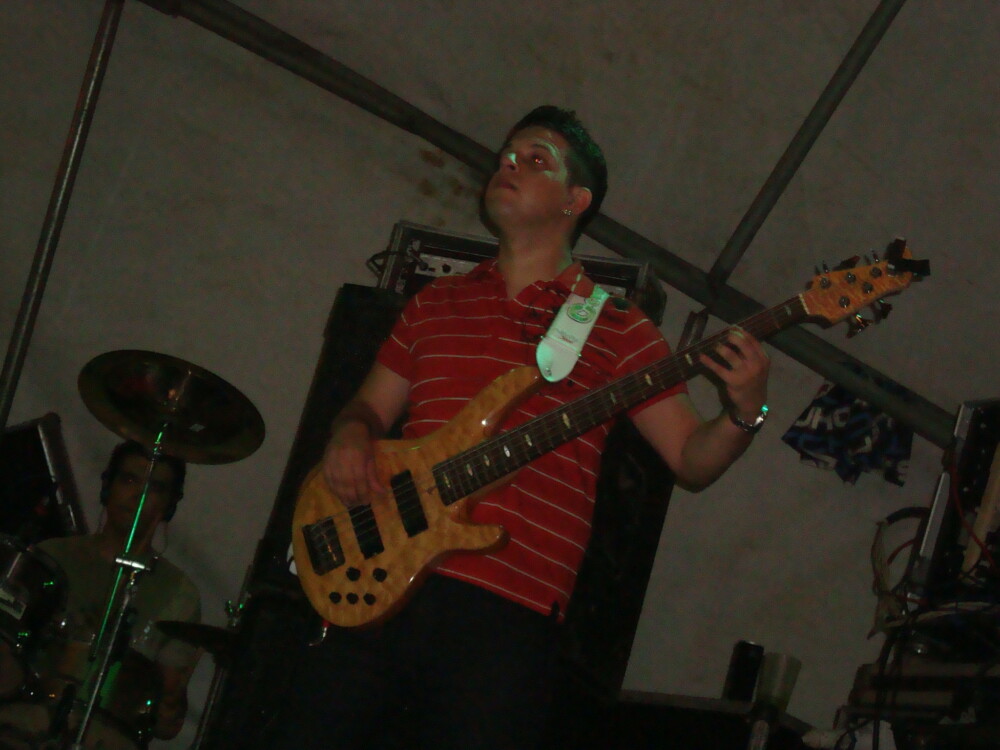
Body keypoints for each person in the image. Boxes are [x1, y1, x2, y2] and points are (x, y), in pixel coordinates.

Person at [272, 105, 771, 749]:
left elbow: (691, 458)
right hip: (378, 577)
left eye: (536, 160)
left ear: (575, 200)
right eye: (507, 155)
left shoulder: (617, 327)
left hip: (508, 613)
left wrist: (744, 411)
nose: (509, 165)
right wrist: (349, 435)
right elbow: (366, 409)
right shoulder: (433, 304)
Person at [0, 440, 201, 746]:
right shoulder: (51, 557)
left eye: (155, 488)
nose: (138, 496)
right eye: (129, 480)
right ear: (107, 487)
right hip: (27, 719)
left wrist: (171, 702)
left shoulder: (180, 593)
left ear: (169, 506)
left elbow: (164, 726)